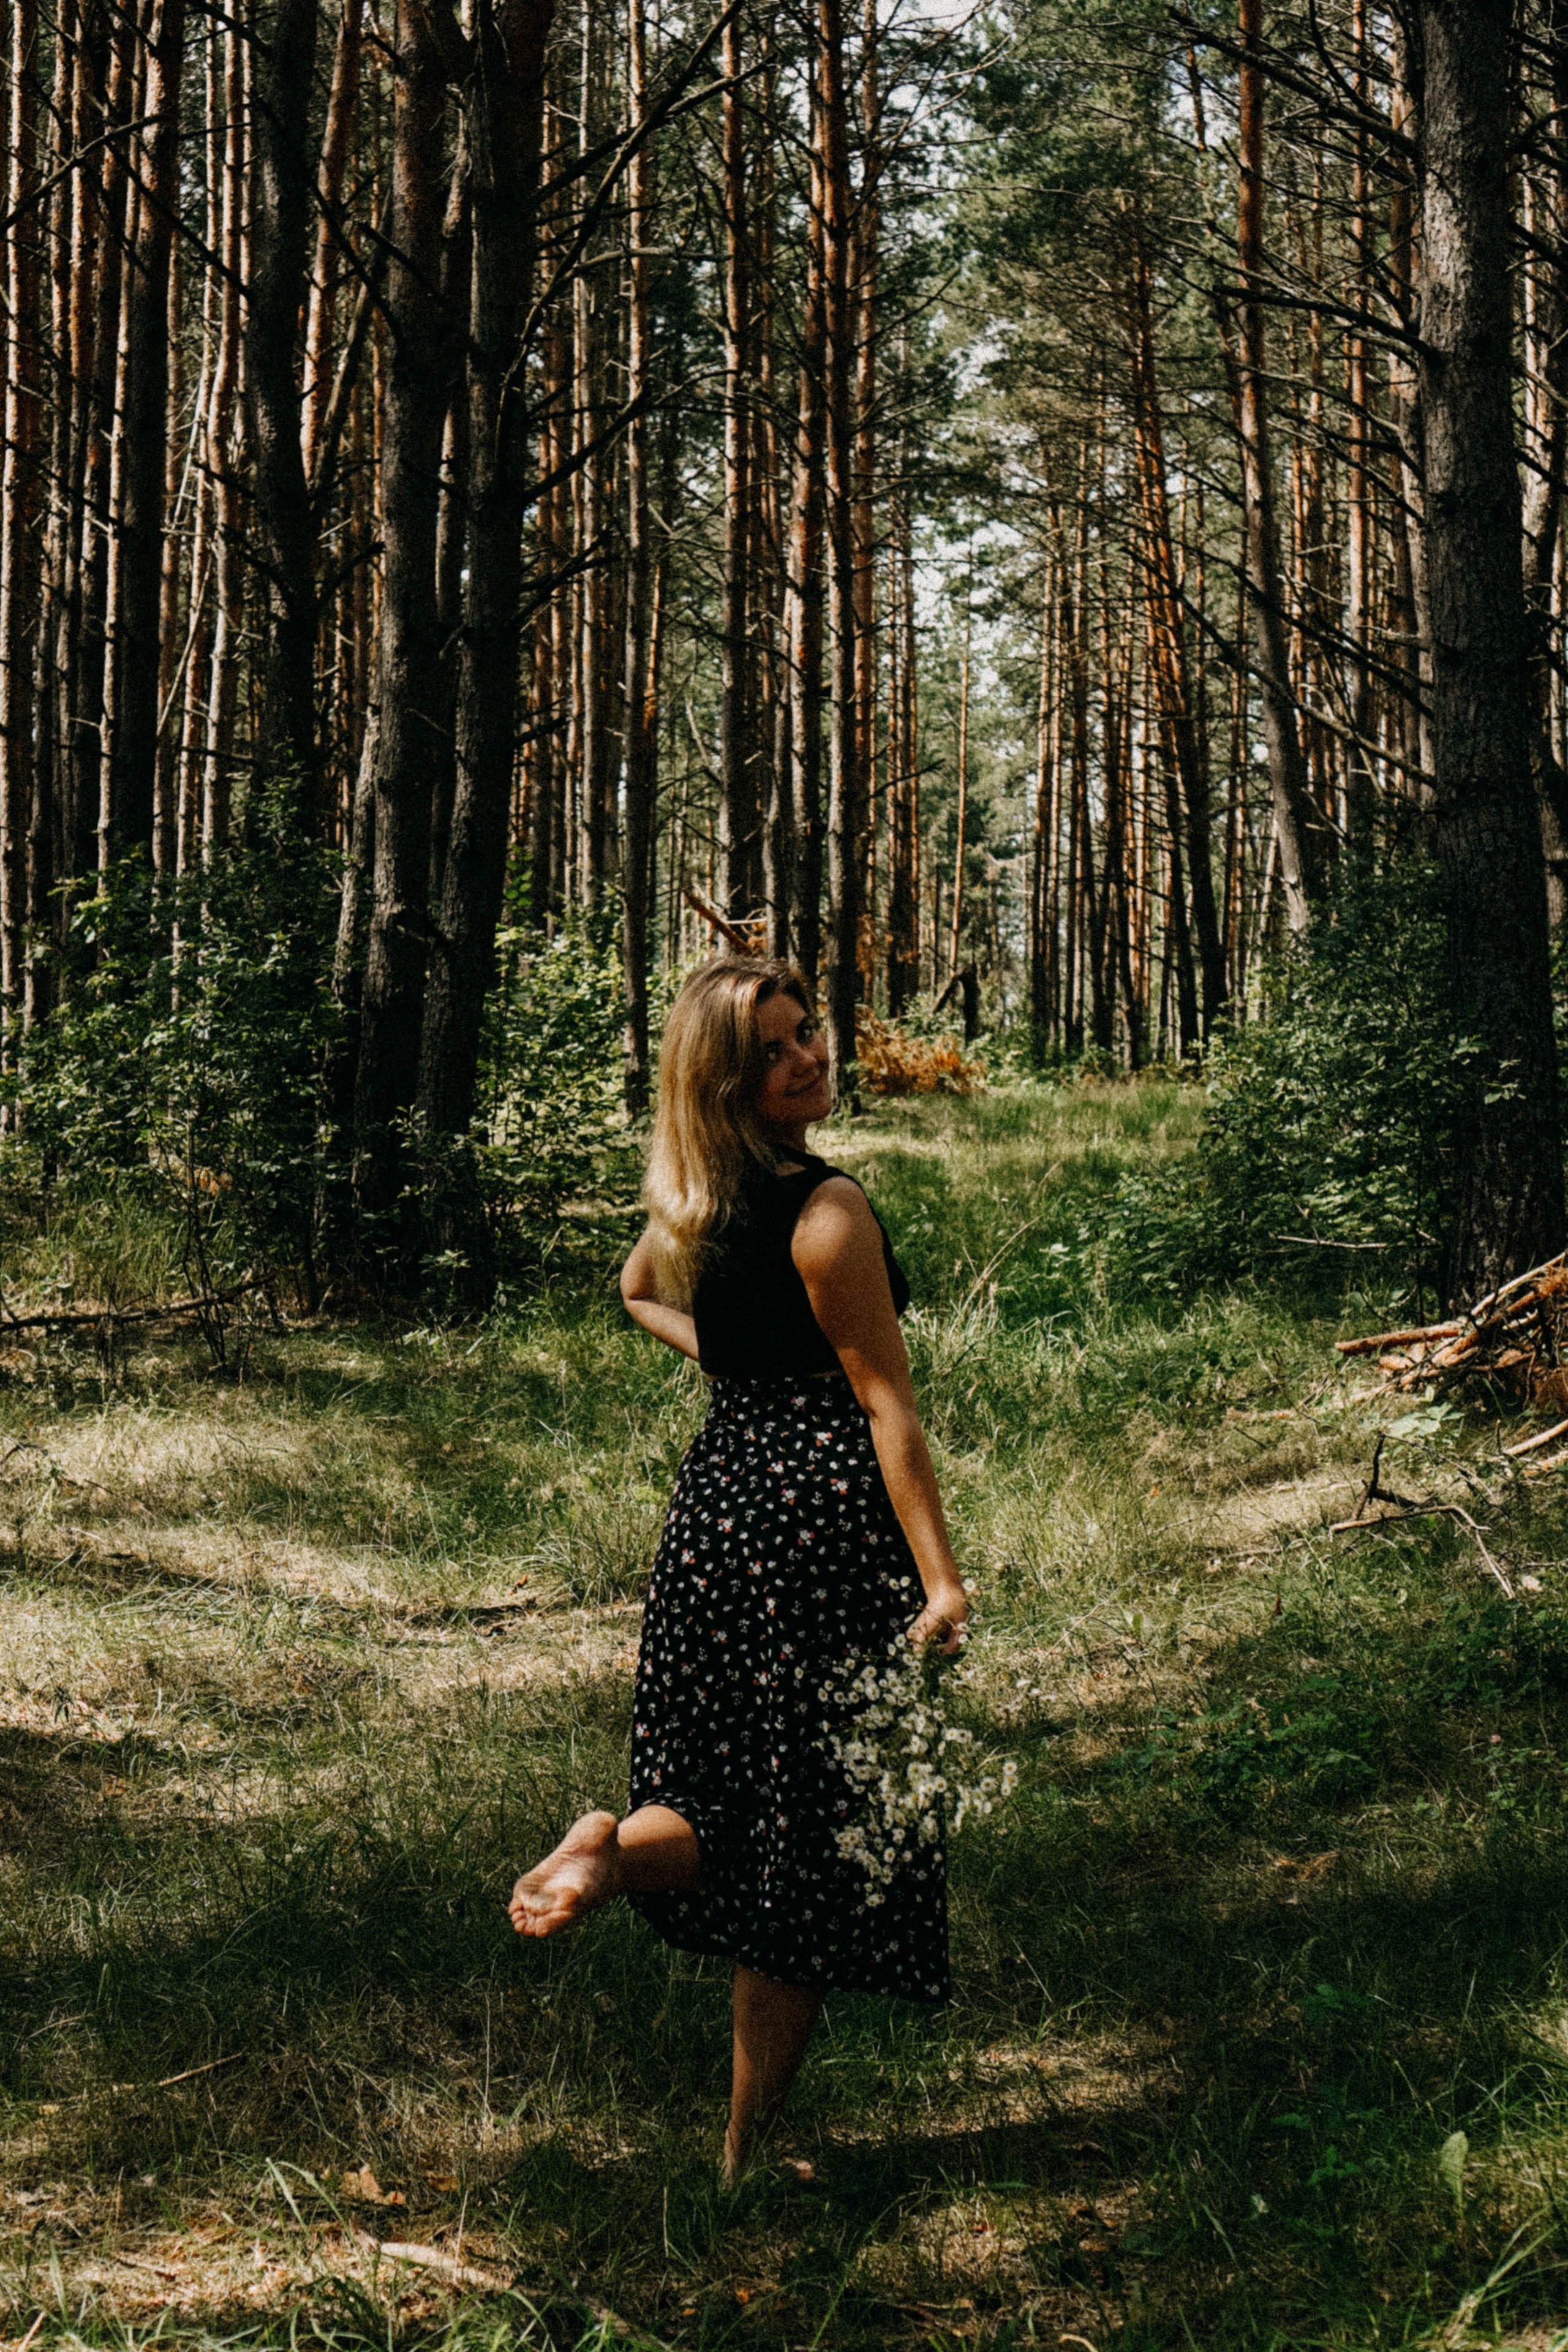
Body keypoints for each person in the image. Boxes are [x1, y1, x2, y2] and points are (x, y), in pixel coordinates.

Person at [509, 956, 970, 2186]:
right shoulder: (827, 1211)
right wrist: (940, 1579)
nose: (807, 1058)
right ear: (729, 1077)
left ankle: (611, 1852)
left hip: (719, 1506)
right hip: (819, 1517)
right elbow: (887, 1410)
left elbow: (633, 1294)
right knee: (808, 1837)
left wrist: (735, 1363)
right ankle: (742, 2148)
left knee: (722, 1794)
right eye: (772, 1050)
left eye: (806, 1033)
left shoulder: (697, 1197)